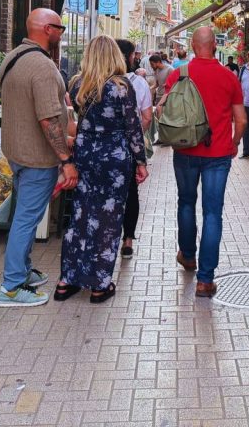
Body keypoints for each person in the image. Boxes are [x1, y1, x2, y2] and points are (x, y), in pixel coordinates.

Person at [54, 35, 148, 303]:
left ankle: (67, 280)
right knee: (108, 219)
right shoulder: (121, 87)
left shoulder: (76, 85)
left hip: (85, 155)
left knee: (81, 215)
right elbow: (133, 129)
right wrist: (140, 161)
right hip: (114, 159)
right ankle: (99, 284)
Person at [0, 8, 76, 308]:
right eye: (60, 28)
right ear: (47, 29)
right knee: (26, 220)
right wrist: (66, 159)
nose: (61, 33)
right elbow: (48, 120)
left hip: (16, 151)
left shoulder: (13, 57)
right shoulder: (42, 67)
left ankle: (23, 271)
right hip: (36, 157)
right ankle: (12, 287)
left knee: (24, 217)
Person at [161, 26, 246, 298]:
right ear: (214, 45)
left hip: (186, 151)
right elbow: (241, 120)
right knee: (213, 213)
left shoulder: (178, 74)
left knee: (186, 202)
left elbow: (163, 108)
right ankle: (205, 280)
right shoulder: (229, 77)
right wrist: (234, 143)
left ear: (194, 46)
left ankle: (187, 255)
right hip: (218, 153)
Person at [117, 39, 153, 260]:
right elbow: (147, 117)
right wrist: (137, 141)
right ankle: (127, 239)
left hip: (96, 152)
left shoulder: (93, 80)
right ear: (130, 57)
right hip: (128, 149)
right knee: (130, 193)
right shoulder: (137, 84)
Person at [149, 53, 170, 144]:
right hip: (158, 96)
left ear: (158, 62)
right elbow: (157, 84)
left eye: (152, 64)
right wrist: (149, 88)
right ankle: (161, 138)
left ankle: (166, 138)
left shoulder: (170, 70)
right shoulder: (156, 71)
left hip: (166, 97)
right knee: (159, 118)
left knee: (164, 119)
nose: (151, 66)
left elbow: (172, 85)